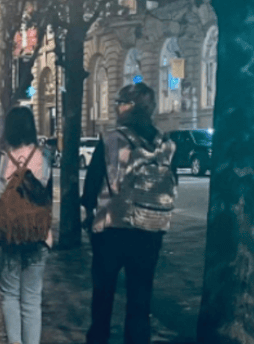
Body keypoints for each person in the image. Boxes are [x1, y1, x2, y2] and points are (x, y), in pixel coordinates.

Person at [81, 83, 178, 344]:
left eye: (119, 102)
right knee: (140, 300)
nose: (116, 107)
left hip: (111, 229)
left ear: (129, 107)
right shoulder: (165, 143)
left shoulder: (112, 139)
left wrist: (89, 214)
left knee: (103, 298)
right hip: (150, 230)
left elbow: (91, 189)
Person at [0, 106, 53, 344]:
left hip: (6, 233)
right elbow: (47, 197)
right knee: (32, 298)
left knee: (10, 295)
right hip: (37, 234)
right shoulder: (44, 156)